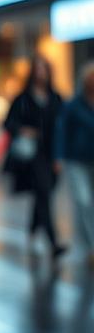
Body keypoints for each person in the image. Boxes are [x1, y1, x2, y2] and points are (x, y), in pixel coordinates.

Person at [4, 55, 65, 258]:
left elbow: (62, 128)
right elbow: (7, 123)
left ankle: (31, 234)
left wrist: (61, 155)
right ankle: (53, 242)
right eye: (37, 69)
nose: (41, 73)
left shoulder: (56, 97)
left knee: (43, 196)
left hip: (52, 154)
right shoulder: (23, 98)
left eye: (44, 69)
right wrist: (22, 130)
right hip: (32, 156)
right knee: (44, 193)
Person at [54, 62, 94, 265]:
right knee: (84, 201)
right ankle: (90, 247)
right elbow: (61, 130)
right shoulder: (73, 104)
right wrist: (59, 156)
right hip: (77, 160)